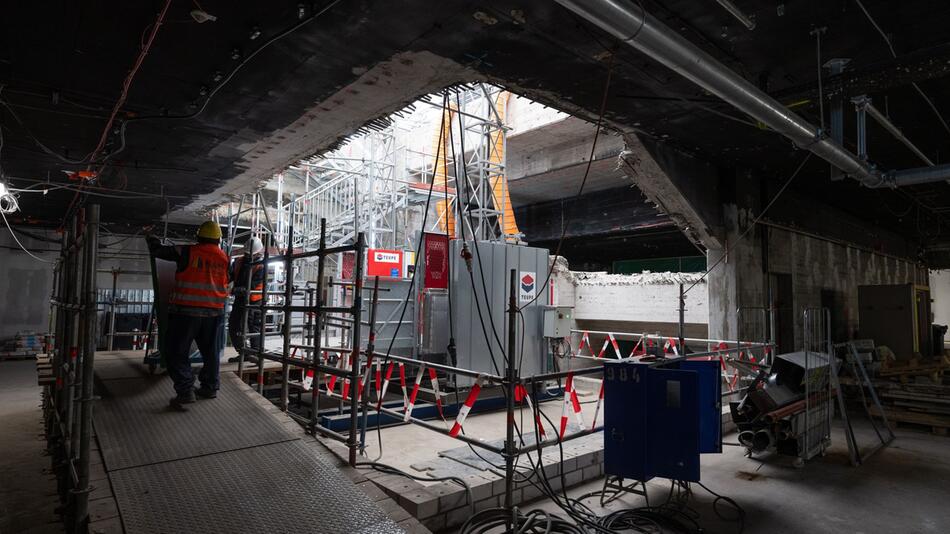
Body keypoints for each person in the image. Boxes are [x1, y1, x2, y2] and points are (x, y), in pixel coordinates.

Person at [146, 220, 230, 409]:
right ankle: (210, 387)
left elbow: (158, 251)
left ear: (198, 237)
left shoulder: (187, 251)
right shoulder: (224, 258)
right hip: (214, 313)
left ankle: (185, 391)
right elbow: (227, 280)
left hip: (186, 312)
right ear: (218, 239)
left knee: (176, 352)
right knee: (211, 353)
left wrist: (150, 236)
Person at [227, 237, 265, 363]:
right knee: (234, 324)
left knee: (253, 326)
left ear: (258, 253)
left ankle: (256, 354)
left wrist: (232, 290)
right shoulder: (238, 261)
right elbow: (231, 276)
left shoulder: (261, 266)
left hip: (254, 300)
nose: (249, 255)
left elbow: (252, 286)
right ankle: (244, 352)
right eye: (247, 253)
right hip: (240, 299)